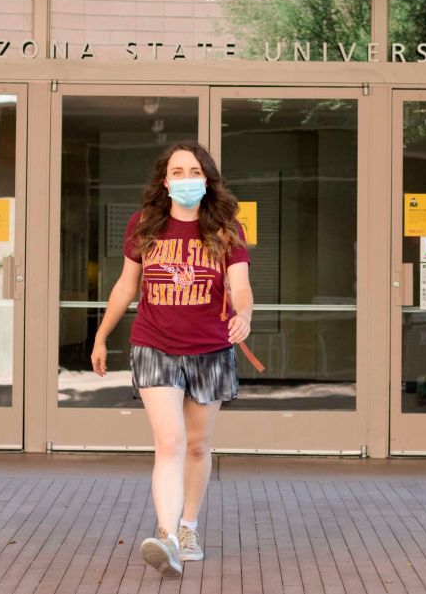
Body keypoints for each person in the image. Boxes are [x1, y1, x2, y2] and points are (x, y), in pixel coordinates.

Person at [90, 141, 253, 578]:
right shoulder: (143, 225)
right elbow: (126, 287)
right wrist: (102, 336)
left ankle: (188, 528)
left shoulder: (226, 229)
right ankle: (164, 535)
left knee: (198, 446)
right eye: (177, 172)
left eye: (194, 171)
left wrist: (245, 314)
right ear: (165, 181)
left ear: (207, 179)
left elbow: (240, 286)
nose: (185, 179)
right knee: (170, 442)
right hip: (154, 345)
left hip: (211, 351)